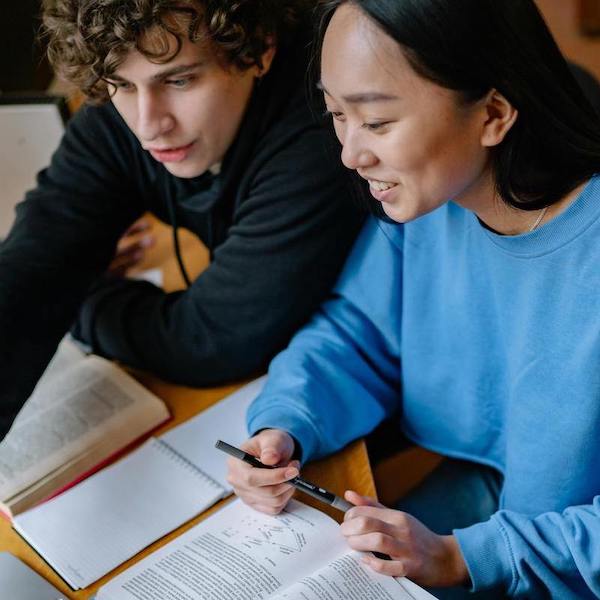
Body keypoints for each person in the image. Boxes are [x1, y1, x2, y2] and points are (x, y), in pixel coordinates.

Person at [227, 0, 600, 598]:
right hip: (481, 503)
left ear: (494, 113)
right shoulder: (427, 206)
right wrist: (285, 424)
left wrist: (461, 558)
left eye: (375, 122)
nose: (350, 153)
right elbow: (354, 333)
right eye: (336, 115)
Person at [0, 0, 365, 440]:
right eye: (120, 84)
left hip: (358, 406)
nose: (149, 124)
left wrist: (80, 293)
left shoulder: (318, 124)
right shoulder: (123, 110)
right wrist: (59, 281)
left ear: (260, 50)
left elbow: (210, 341)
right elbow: (32, 265)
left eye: (179, 80)